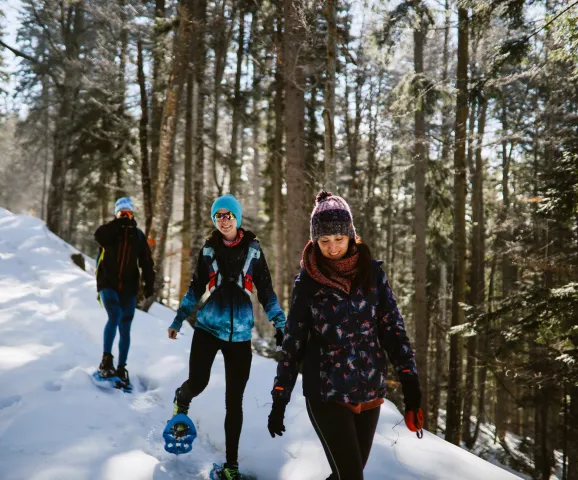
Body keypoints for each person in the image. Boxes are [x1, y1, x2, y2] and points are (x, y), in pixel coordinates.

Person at [268, 191, 423, 480]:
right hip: (326, 393)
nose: (332, 247)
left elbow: (393, 329)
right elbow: (293, 342)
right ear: (315, 241)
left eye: (338, 239)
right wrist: (280, 395)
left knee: (345, 476)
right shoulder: (308, 284)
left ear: (351, 235)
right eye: (324, 241)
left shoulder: (372, 275)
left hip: (369, 393)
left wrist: (411, 385)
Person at [167, 194, 286, 480]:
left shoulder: (254, 251)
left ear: (237, 218)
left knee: (234, 401)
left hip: (241, 336)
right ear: (214, 220)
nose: (223, 220)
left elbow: (266, 291)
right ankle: (181, 399)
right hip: (207, 329)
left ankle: (231, 467)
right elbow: (196, 288)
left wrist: (279, 323)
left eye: (228, 215)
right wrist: (179, 318)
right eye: (218, 215)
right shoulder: (208, 250)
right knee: (199, 381)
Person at [95, 197, 155, 385]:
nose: (125, 217)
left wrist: (149, 283)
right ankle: (106, 359)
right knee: (114, 315)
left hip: (129, 288)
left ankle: (121, 367)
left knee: (125, 325)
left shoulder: (137, 236)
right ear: (116, 214)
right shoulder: (110, 232)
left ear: (133, 215)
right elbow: (99, 236)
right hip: (108, 283)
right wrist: (116, 223)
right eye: (122, 213)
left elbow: (146, 262)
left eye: (128, 213)